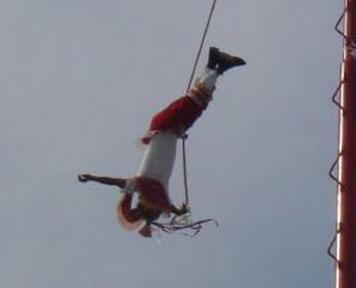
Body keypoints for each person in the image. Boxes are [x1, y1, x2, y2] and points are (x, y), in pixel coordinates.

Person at [78, 47, 246, 237]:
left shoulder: (139, 185)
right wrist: (178, 213)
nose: (137, 211)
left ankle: (218, 68)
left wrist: (92, 178)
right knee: (198, 106)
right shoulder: (159, 192)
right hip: (174, 130)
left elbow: (115, 182)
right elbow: (168, 207)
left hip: (162, 126)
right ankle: (215, 65)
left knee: (192, 103)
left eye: (134, 211)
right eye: (138, 214)